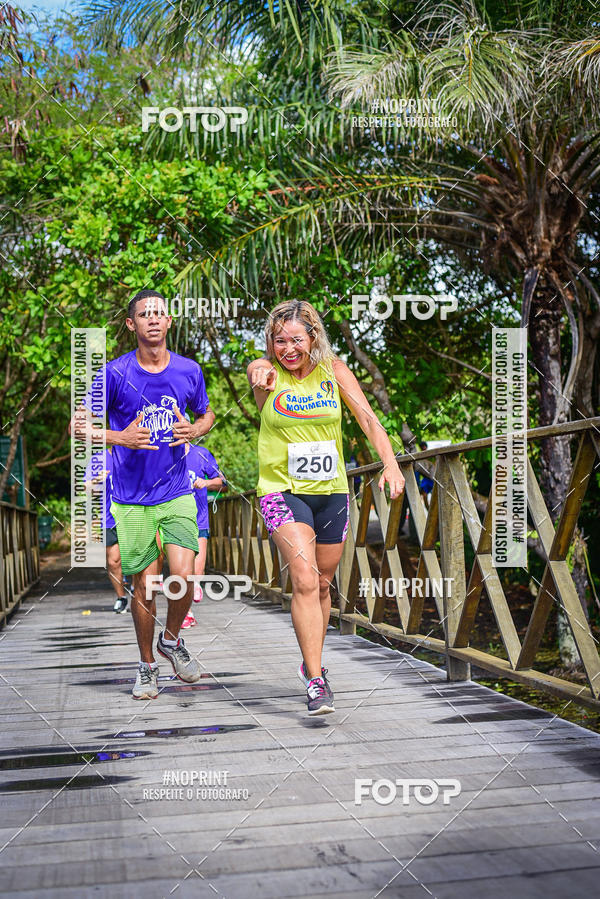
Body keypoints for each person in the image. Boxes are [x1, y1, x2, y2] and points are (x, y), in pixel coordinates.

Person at [247, 300, 405, 716]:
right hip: (280, 490)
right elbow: (256, 372)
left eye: (296, 339)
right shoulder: (265, 371)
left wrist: (390, 463)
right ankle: (316, 679)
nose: (287, 348)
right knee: (302, 576)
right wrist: (260, 372)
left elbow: (369, 420)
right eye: (279, 341)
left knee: (321, 583)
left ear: (313, 337)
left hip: (332, 490)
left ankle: (309, 658)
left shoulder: (334, 372)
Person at [71, 289, 215, 700]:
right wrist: (119, 437)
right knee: (146, 587)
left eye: (160, 314)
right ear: (132, 324)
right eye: (144, 315)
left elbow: (206, 413)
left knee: (185, 576)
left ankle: (171, 639)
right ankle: (147, 665)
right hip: (131, 498)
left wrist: (197, 429)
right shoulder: (114, 374)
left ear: (169, 322)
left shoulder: (189, 371)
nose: (153, 320)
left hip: (175, 490)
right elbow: (77, 427)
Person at [181, 440, 225, 628]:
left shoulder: (200, 454)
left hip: (198, 519)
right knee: (182, 570)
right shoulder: (163, 453)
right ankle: (186, 612)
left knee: (196, 571)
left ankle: (192, 596)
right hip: (173, 520)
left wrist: (206, 482)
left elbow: (222, 482)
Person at [84, 447, 129, 613]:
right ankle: (121, 597)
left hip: (134, 514)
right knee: (113, 561)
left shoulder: (135, 454)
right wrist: (97, 479)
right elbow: (85, 486)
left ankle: (141, 593)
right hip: (109, 517)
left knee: (138, 557)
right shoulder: (100, 458)